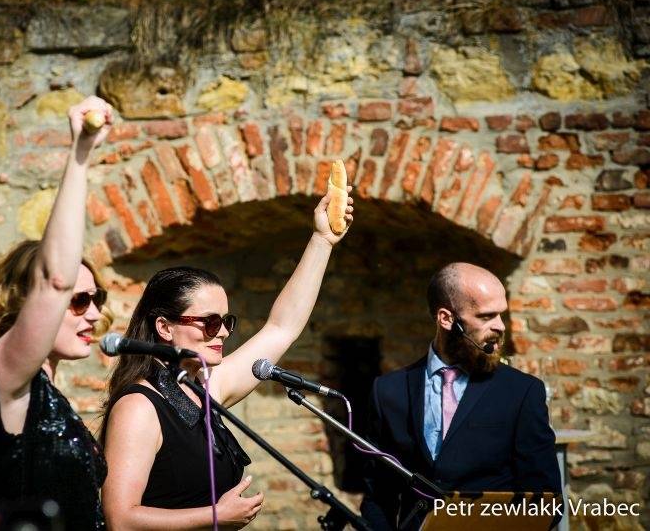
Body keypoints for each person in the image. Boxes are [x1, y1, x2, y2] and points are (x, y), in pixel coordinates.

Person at [100, 190, 355, 529]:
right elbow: (120, 519)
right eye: (209, 322)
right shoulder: (139, 406)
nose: (222, 332)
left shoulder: (201, 388)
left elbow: (282, 328)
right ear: (164, 327)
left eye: (226, 321)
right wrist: (216, 516)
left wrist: (322, 241)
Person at [0, 96, 115, 530]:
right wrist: (81, 152)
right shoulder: (6, 379)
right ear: (23, 301)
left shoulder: (49, 395)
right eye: (78, 301)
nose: (94, 315)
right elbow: (54, 280)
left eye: (97, 298)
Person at [361, 262, 561, 530]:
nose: (500, 326)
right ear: (446, 319)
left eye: (501, 314)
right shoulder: (387, 391)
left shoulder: (522, 391)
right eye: (486, 316)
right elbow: (378, 497)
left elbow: (547, 502)